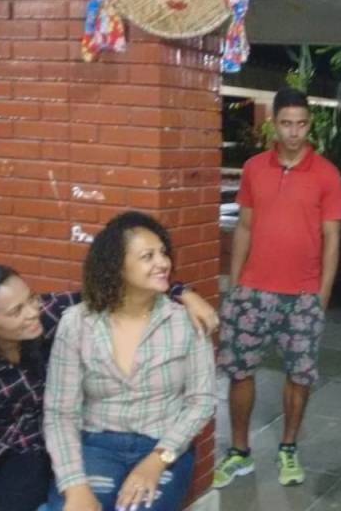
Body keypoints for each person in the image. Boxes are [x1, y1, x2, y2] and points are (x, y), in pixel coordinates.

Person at [0, 264, 215, 511]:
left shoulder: (51, 315)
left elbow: (122, 288)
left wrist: (184, 294)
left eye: (32, 298)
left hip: (28, 457)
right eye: (17, 311)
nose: (33, 312)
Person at [214, 87, 341, 488]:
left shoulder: (327, 174)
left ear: (309, 125)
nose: (293, 132)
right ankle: (239, 452)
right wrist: (235, 285)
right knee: (240, 372)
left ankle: (288, 447)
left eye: (301, 124)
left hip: (303, 296)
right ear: (274, 123)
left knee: (300, 376)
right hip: (252, 291)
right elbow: (244, 227)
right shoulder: (254, 168)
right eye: (286, 123)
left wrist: (322, 295)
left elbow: (332, 239)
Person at [44, 212, 216, 511]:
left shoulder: (186, 321)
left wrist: (158, 460)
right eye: (148, 256)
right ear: (117, 266)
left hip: (163, 444)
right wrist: (74, 485)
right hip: (95, 446)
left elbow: (202, 402)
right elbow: (60, 412)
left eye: (163, 253)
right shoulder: (78, 323)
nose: (163, 263)